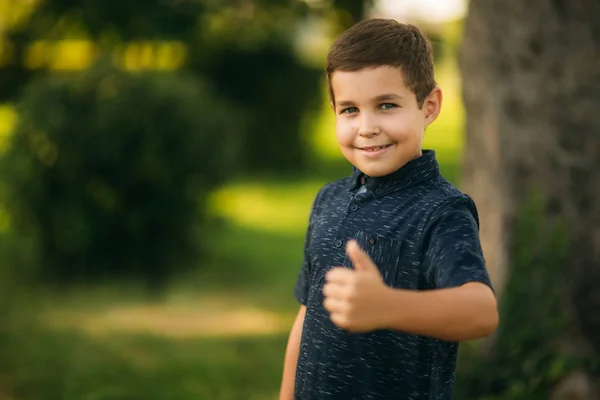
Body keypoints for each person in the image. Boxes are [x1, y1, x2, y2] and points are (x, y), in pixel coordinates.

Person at [278, 18, 499, 400]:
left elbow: (481, 312)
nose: (366, 127)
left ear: (429, 106)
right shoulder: (328, 201)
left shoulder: (442, 211)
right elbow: (307, 315)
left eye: (386, 105)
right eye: (349, 110)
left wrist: (387, 306)